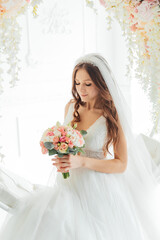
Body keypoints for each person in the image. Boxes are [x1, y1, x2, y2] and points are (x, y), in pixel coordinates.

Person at [0, 53, 160, 240]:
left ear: (101, 84)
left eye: (88, 84)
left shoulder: (112, 116)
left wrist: (82, 161)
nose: (81, 89)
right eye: (77, 83)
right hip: (69, 183)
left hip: (98, 187)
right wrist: (57, 149)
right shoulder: (71, 107)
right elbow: (68, 142)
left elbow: (121, 164)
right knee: (52, 221)